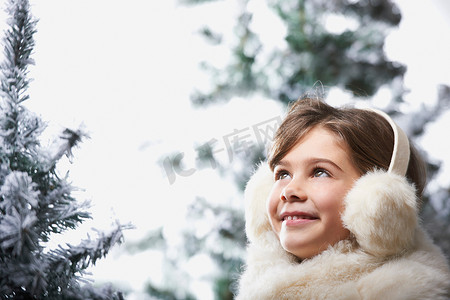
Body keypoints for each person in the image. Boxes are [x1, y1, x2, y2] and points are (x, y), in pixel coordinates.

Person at [236, 97, 450, 299]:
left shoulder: (408, 293)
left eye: (320, 172)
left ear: (380, 201)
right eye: (283, 174)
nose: (288, 190)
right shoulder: (256, 286)